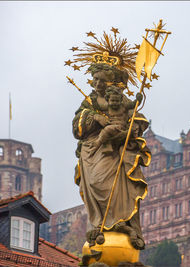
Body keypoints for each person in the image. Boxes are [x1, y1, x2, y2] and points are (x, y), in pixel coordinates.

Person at [72, 63, 150, 251]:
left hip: (116, 151)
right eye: (95, 79)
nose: (97, 83)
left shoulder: (119, 100)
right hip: (92, 150)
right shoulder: (88, 103)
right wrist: (95, 117)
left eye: (102, 80)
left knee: (115, 188)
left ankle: (119, 222)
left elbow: (136, 119)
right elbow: (77, 127)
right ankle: (101, 223)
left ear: (111, 82)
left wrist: (131, 127)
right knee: (97, 182)